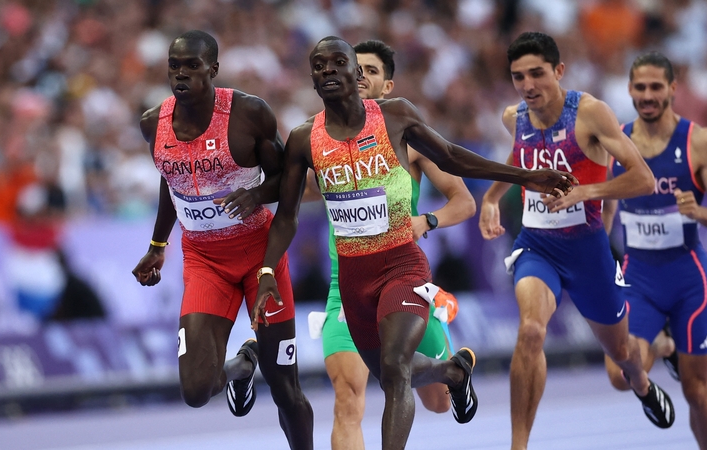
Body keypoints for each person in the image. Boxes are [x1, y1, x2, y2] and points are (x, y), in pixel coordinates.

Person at [255, 36, 575, 450]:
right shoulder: (303, 139)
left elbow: (452, 157)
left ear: (356, 73)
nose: (329, 70)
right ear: (313, 80)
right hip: (351, 279)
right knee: (392, 371)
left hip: (401, 265)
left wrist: (524, 177)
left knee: (393, 370)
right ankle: (452, 372)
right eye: (319, 66)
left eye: (339, 63)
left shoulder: (395, 117)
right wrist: (266, 270)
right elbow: (286, 213)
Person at [478, 31, 675, 448]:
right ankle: (518, 444)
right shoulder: (513, 117)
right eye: (518, 77)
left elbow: (643, 179)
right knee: (531, 331)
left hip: (588, 252)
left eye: (537, 74)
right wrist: (493, 197)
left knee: (622, 355)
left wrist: (584, 192)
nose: (528, 86)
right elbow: (520, 155)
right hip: (538, 245)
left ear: (559, 70)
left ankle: (641, 383)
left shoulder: (589, 114)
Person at [130, 30, 313, 450]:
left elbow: (289, 178)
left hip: (258, 255)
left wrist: (256, 194)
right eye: (174, 65)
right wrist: (158, 246)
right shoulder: (152, 123)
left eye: (192, 65)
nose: (181, 73)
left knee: (286, 390)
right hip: (204, 261)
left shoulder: (249, 114)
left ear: (212, 69)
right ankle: (242, 365)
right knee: (196, 390)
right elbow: (169, 181)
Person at [305, 39, 476, 450]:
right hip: (344, 287)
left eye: (371, 71)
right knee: (348, 399)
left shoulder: (409, 139)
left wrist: (426, 220)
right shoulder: (322, 136)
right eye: (354, 68)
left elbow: (464, 201)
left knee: (435, 403)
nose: (359, 76)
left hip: (401, 278)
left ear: (387, 87)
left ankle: (450, 372)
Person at [603, 51, 707, 450]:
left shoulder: (700, 142)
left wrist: (700, 212)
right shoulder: (616, 142)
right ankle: (663, 346)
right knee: (617, 375)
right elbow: (606, 212)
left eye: (656, 87)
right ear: (629, 90)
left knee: (696, 390)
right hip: (639, 278)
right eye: (640, 87)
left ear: (672, 89)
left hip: (688, 280)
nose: (647, 95)